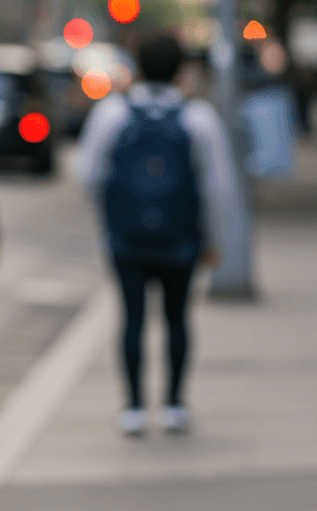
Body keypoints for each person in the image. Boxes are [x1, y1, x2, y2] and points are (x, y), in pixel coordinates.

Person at [77, 33, 237, 436]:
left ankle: (132, 406)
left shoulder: (112, 113)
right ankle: (173, 403)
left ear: (138, 66)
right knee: (177, 318)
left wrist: (106, 219)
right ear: (182, 70)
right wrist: (215, 239)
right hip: (181, 237)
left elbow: (88, 174)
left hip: (126, 239)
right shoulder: (198, 117)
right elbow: (219, 187)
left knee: (131, 319)